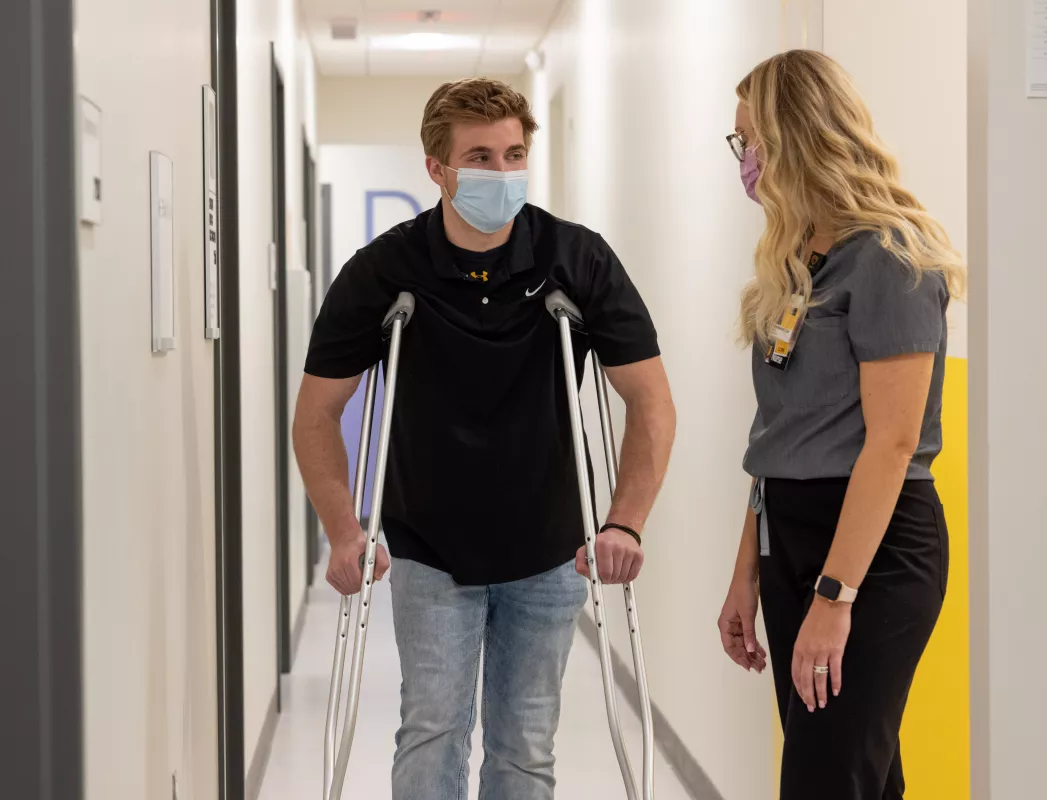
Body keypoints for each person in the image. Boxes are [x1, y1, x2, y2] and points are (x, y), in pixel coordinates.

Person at [294, 78, 676, 800]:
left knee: (526, 745)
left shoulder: (577, 260)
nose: (501, 174)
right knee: (432, 730)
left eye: (513, 154)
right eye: (479, 157)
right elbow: (315, 414)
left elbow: (649, 401)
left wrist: (624, 519)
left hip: (550, 544)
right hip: (429, 545)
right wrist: (343, 530)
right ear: (436, 167)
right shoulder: (384, 271)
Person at [716, 50, 965, 799]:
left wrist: (835, 596)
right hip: (788, 535)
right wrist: (745, 573)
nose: (744, 162)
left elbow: (889, 445)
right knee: (858, 776)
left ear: (797, 138)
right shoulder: (793, 263)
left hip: (873, 552)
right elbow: (777, 436)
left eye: (749, 141)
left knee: (824, 780)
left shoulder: (890, 257)